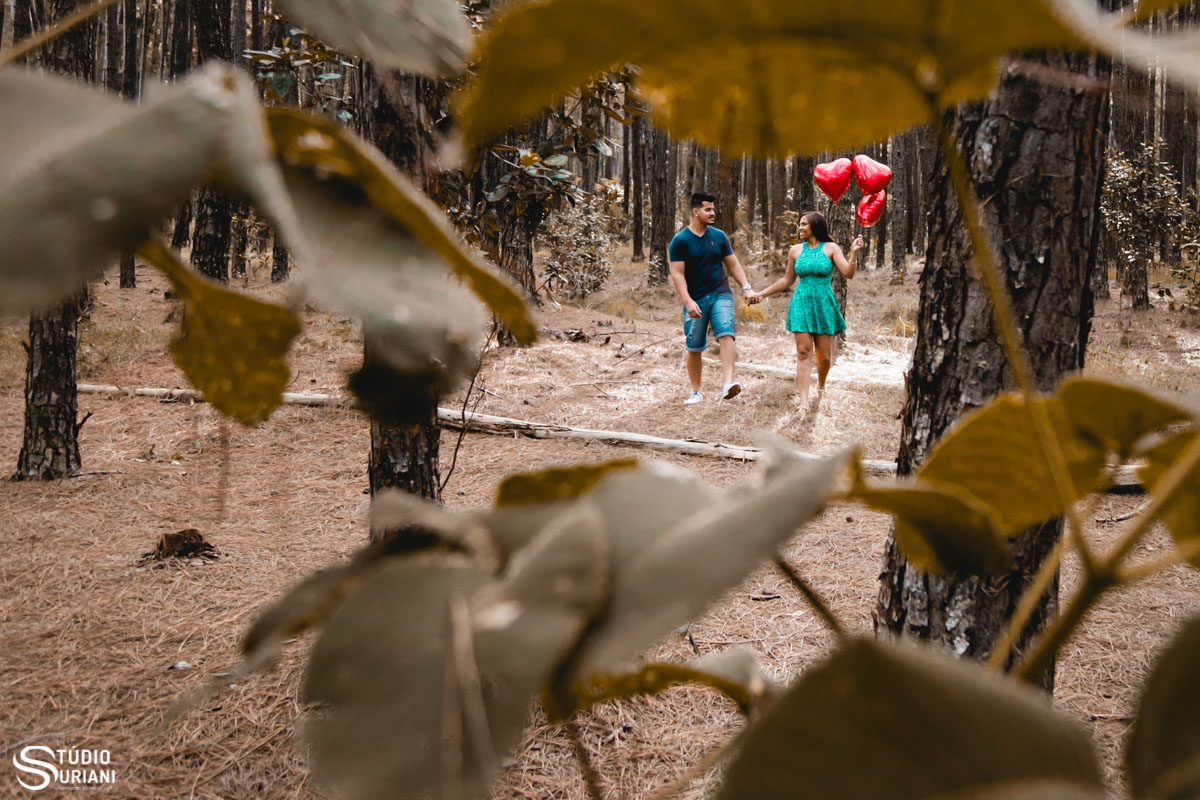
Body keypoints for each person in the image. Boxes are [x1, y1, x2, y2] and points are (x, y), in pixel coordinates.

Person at [750, 211, 863, 410]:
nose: (800, 228)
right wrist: (762, 293)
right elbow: (787, 280)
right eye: (799, 224)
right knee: (803, 352)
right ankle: (803, 402)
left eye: (804, 224)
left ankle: (820, 386)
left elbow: (848, 273)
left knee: (824, 358)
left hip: (823, 303)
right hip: (801, 302)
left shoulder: (831, 248)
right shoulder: (795, 250)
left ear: (815, 226)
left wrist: (853, 253)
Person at [668, 192, 759, 405]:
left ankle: (728, 383)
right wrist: (687, 301)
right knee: (695, 346)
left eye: (713, 209)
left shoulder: (719, 237)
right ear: (695, 211)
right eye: (708, 209)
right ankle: (696, 392)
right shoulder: (680, 241)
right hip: (695, 298)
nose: (713, 213)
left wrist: (746, 288)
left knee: (726, 333)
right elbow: (677, 274)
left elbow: (733, 264)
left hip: (721, 293)